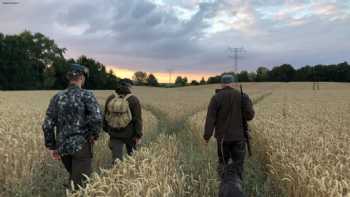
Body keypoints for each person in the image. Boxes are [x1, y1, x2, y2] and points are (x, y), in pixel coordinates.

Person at [42, 64, 103, 188]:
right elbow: (96, 119)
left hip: (63, 148)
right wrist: (93, 136)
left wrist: (52, 146)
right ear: (81, 77)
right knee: (81, 187)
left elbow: (47, 125)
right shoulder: (87, 95)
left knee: (74, 180)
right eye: (84, 77)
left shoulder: (57, 97)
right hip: (81, 146)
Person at [204, 74, 255, 180]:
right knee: (238, 166)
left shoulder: (216, 98)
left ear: (222, 84)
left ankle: (223, 188)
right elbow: (250, 116)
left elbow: (210, 119)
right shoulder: (241, 96)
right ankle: (237, 188)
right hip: (239, 138)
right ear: (233, 84)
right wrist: (246, 102)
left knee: (223, 164)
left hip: (223, 139)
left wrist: (207, 137)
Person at [103, 80, 142, 163]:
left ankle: (116, 174)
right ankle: (131, 175)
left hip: (114, 134)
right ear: (129, 87)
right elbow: (137, 119)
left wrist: (107, 130)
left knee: (116, 161)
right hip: (130, 135)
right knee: (132, 160)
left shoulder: (111, 98)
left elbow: (106, 115)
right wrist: (138, 135)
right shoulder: (133, 99)